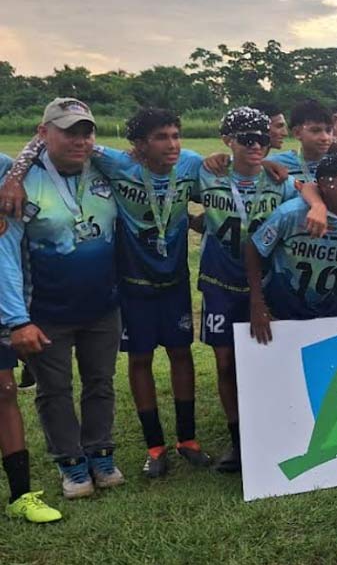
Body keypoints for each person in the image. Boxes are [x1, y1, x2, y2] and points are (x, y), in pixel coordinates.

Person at [0, 98, 125, 498]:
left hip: (103, 306)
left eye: (86, 132)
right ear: (43, 133)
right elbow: (5, 255)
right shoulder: (19, 183)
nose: (79, 140)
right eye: (69, 132)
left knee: (100, 382)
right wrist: (17, 320)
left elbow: (144, 160)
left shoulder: (104, 168)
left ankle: (100, 452)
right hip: (46, 312)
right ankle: (70, 462)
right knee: (54, 389)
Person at [86, 108, 209, 478]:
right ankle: (154, 447)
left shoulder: (191, 164)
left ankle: (187, 440)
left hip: (174, 281)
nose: (172, 144)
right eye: (161, 137)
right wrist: (14, 180)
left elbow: (227, 179)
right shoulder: (116, 163)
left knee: (181, 353)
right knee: (139, 359)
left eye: (175, 135)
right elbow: (51, 142)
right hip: (133, 283)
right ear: (139, 144)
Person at [195, 107, 300, 470]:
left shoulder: (279, 180)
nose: (256, 146)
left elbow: (308, 196)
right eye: (246, 139)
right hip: (220, 282)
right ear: (228, 140)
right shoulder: (207, 173)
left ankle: (274, 430)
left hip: (266, 282)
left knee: (268, 359)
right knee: (225, 363)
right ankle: (238, 440)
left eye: (262, 139)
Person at [247, 154, 337, 342]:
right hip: (281, 308)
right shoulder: (291, 213)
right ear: (323, 185)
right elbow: (254, 248)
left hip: (328, 312)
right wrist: (257, 303)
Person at [0, 152, 62, 522]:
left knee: (5, 391)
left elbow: (43, 136)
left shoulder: (6, 167)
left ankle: (20, 495)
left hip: (6, 302)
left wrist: (14, 177)